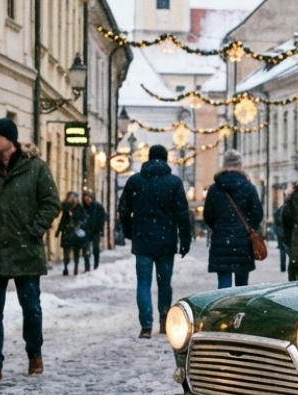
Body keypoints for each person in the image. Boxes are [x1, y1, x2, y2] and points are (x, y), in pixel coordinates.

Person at [0, 117, 61, 383]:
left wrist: (35, 228)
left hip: (25, 250)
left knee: (31, 309)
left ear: (10, 140)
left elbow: (52, 203)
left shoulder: (36, 168)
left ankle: (34, 354)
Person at [117, 144, 192, 337]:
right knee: (164, 283)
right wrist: (185, 240)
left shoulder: (135, 181)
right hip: (166, 240)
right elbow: (183, 214)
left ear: (148, 158)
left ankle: (146, 325)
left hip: (142, 239)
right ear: (166, 159)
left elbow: (123, 210)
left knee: (143, 283)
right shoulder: (174, 182)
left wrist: (128, 231)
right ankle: (164, 320)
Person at [203, 149, 263, 289]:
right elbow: (257, 213)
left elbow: (208, 216)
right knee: (242, 286)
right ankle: (239, 310)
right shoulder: (248, 188)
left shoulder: (214, 189)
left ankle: (225, 310)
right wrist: (247, 228)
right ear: (240, 164)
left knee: (224, 284)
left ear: (224, 164)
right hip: (243, 241)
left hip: (221, 240)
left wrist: (219, 227)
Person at [55, 191, 87, 275]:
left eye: (73, 198)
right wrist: (58, 231)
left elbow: (84, 219)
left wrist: (79, 225)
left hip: (76, 233)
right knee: (66, 251)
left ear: (77, 199)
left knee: (76, 251)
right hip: (67, 232)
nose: (72, 200)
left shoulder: (80, 209)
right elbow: (62, 220)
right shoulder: (66, 209)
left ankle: (76, 267)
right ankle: (65, 268)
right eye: (70, 198)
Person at [80, 191, 107, 270]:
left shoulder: (97, 207)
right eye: (85, 200)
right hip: (86, 232)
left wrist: (100, 229)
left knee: (96, 250)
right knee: (86, 250)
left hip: (95, 231)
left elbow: (102, 218)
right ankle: (87, 267)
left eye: (88, 199)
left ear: (91, 198)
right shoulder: (83, 208)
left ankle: (96, 266)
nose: (87, 201)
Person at [273, 185, 292, 273]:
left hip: (282, 232)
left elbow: (277, 223)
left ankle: (283, 266)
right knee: (286, 250)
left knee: (282, 250)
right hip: (285, 232)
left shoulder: (280, 210)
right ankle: (286, 265)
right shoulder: (285, 210)